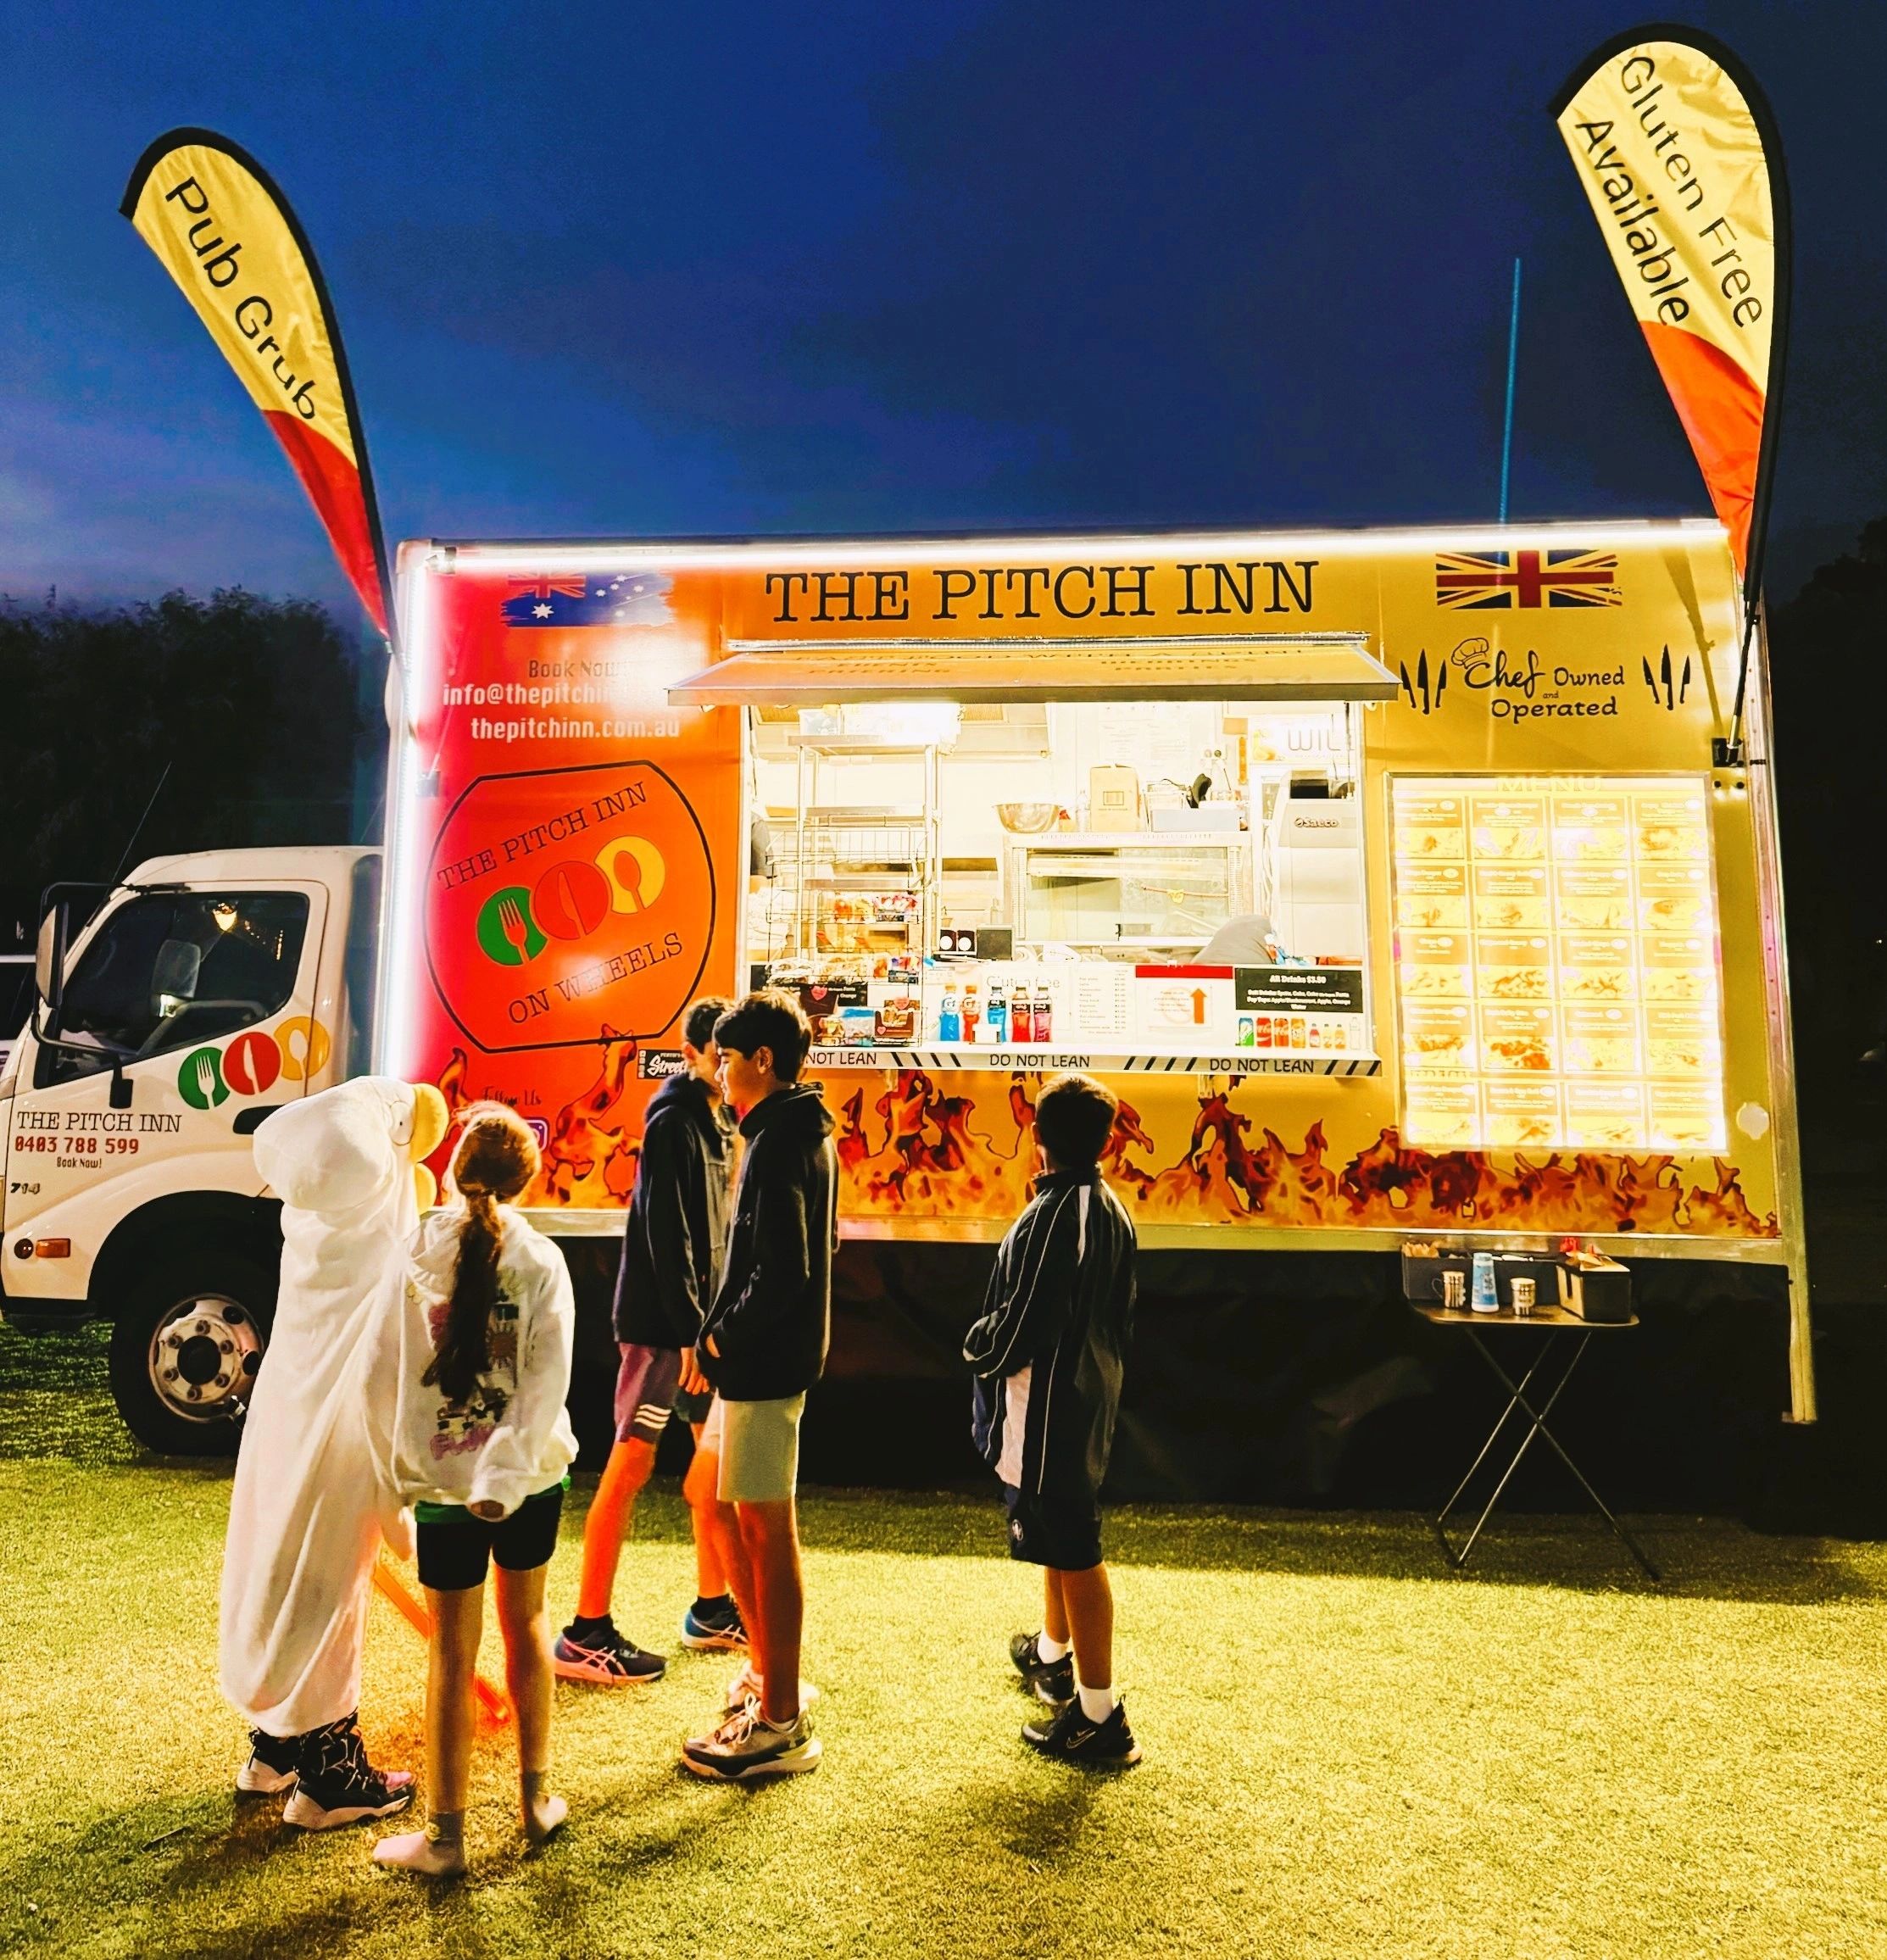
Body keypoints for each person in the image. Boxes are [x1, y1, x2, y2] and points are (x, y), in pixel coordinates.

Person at [222, 1076, 446, 1829]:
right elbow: (392, 1360)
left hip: (284, 1430)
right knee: (326, 1592)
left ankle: (273, 1748)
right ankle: (329, 1774)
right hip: (342, 1440)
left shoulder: (312, 1226)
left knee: (277, 1566)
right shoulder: (380, 1238)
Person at [365, 1104, 579, 1876]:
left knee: (452, 1656)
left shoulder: (411, 1255)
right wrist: (505, 1472)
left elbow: (380, 1371)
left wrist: (403, 1471)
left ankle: (445, 1838)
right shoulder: (541, 1262)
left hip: (441, 1486)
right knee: (528, 1628)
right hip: (531, 1483)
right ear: (529, 1177)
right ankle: (535, 1803)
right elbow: (547, 1386)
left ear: (455, 1170)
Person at [554, 996, 743, 1683]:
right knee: (630, 1468)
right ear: (692, 1053)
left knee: (710, 1467)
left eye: (734, 1058)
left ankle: (713, 1608)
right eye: (717, 1057)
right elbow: (670, 1235)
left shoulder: (720, 1119)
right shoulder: (671, 1120)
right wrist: (691, 1331)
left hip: (700, 1330)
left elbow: (713, 1235)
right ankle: (585, 1630)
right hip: (666, 1333)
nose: (727, 1070)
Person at [964, 1072, 1140, 1767]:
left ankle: (1100, 1715)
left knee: (1075, 1546)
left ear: (1036, 1137)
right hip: (1085, 1398)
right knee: (1057, 1535)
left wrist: (976, 1346)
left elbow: (1023, 1325)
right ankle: (1053, 1654)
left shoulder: (1054, 1217)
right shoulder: (1109, 1209)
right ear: (1106, 1140)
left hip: (1048, 1412)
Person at [682, 989, 836, 1780]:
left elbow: (783, 1270)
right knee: (717, 1503)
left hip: (765, 1365)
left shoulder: (782, 1141)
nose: (717, 1068)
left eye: (729, 1057)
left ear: (763, 1062)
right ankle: (768, 1679)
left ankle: (779, 1718)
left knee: (768, 1531)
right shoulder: (785, 1130)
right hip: (758, 1363)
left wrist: (720, 1333)